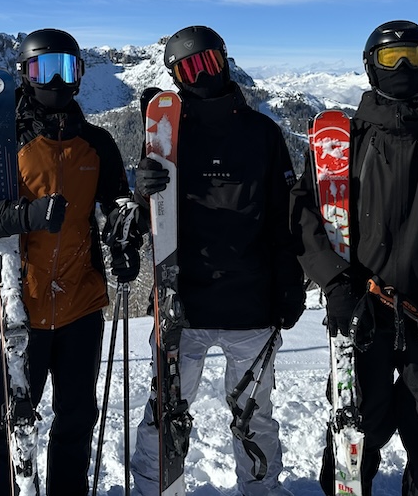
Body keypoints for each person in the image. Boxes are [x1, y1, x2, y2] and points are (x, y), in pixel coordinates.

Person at [290, 20, 418, 496]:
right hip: (361, 317)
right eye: (391, 58)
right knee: (356, 428)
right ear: (371, 67)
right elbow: (304, 216)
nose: (403, 66)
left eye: (413, 56)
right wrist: (336, 283)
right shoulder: (343, 143)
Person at [0, 28, 141, 495]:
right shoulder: (4, 143)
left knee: (76, 422)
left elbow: (116, 208)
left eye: (65, 69)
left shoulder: (98, 144)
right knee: (3, 425)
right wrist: (23, 216)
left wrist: (125, 242)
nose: (55, 81)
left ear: (80, 76)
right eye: (43, 69)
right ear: (25, 75)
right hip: (19, 308)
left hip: (80, 307)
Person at [129, 25, 306, 496]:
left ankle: (260, 490)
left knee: (254, 416)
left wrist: (290, 284)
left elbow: (284, 219)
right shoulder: (168, 134)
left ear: (225, 61)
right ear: (176, 78)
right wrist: (141, 190)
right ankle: (154, 488)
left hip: (252, 306)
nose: (202, 75)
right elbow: (151, 220)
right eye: (189, 69)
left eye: (208, 62)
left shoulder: (262, 133)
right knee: (164, 411)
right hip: (181, 306)